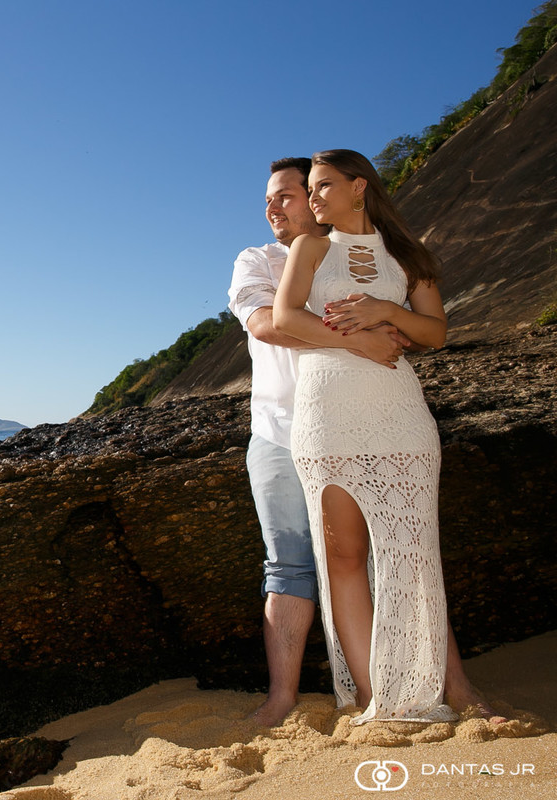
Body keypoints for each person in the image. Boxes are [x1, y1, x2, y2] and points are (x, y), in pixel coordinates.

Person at [271, 149, 496, 723]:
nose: (313, 197)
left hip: (399, 413)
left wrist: (379, 311)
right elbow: (286, 316)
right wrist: (356, 337)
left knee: (414, 552)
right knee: (344, 554)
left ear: (359, 188)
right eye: (311, 189)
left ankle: (447, 690)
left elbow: (436, 332)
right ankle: (375, 700)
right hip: (327, 415)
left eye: (323, 186)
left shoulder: (408, 254)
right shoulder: (311, 247)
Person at [228, 157, 407, 725]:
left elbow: (403, 327)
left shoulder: (355, 252)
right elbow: (265, 324)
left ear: (315, 196)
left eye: (286, 194)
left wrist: (377, 331)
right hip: (279, 432)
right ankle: (283, 696)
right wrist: (360, 340)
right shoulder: (257, 260)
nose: (273, 207)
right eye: (268, 199)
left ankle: (418, 685)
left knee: (388, 555)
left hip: (353, 423)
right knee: (288, 566)